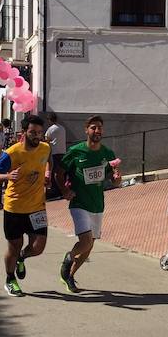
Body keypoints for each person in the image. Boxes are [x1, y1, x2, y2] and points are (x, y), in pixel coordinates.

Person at [0, 115, 52, 297]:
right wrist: (7, 177)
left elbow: (49, 162)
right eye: (32, 132)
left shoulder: (45, 148)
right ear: (24, 133)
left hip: (37, 207)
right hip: (14, 208)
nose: (37, 136)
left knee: (38, 247)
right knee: (14, 247)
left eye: (39, 133)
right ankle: (10, 279)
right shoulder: (12, 153)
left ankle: (21, 259)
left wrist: (47, 174)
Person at [57, 115, 121, 293]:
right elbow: (59, 172)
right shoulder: (76, 151)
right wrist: (64, 190)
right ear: (86, 130)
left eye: (100, 127)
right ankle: (68, 257)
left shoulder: (107, 154)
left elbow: (114, 180)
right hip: (79, 202)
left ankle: (69, 275)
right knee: (85, 241)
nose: (97, 131)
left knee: (89, 246)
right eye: (93, 127)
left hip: (97, 204)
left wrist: (117, 178)